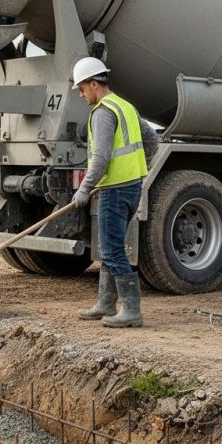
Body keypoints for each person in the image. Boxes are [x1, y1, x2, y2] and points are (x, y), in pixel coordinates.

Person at [71, 58, 158, 328]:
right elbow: (152, 139)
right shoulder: (125, 106)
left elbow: (101, 157)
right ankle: (106, 303)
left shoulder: (103, 112)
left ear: (94, 84)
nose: (81, 94)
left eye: (82, 88)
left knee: (111, 249)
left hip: (115, 190)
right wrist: (138, 167)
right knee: (110, 246)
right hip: (131, 187)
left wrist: (84, 189)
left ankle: (131, 310)